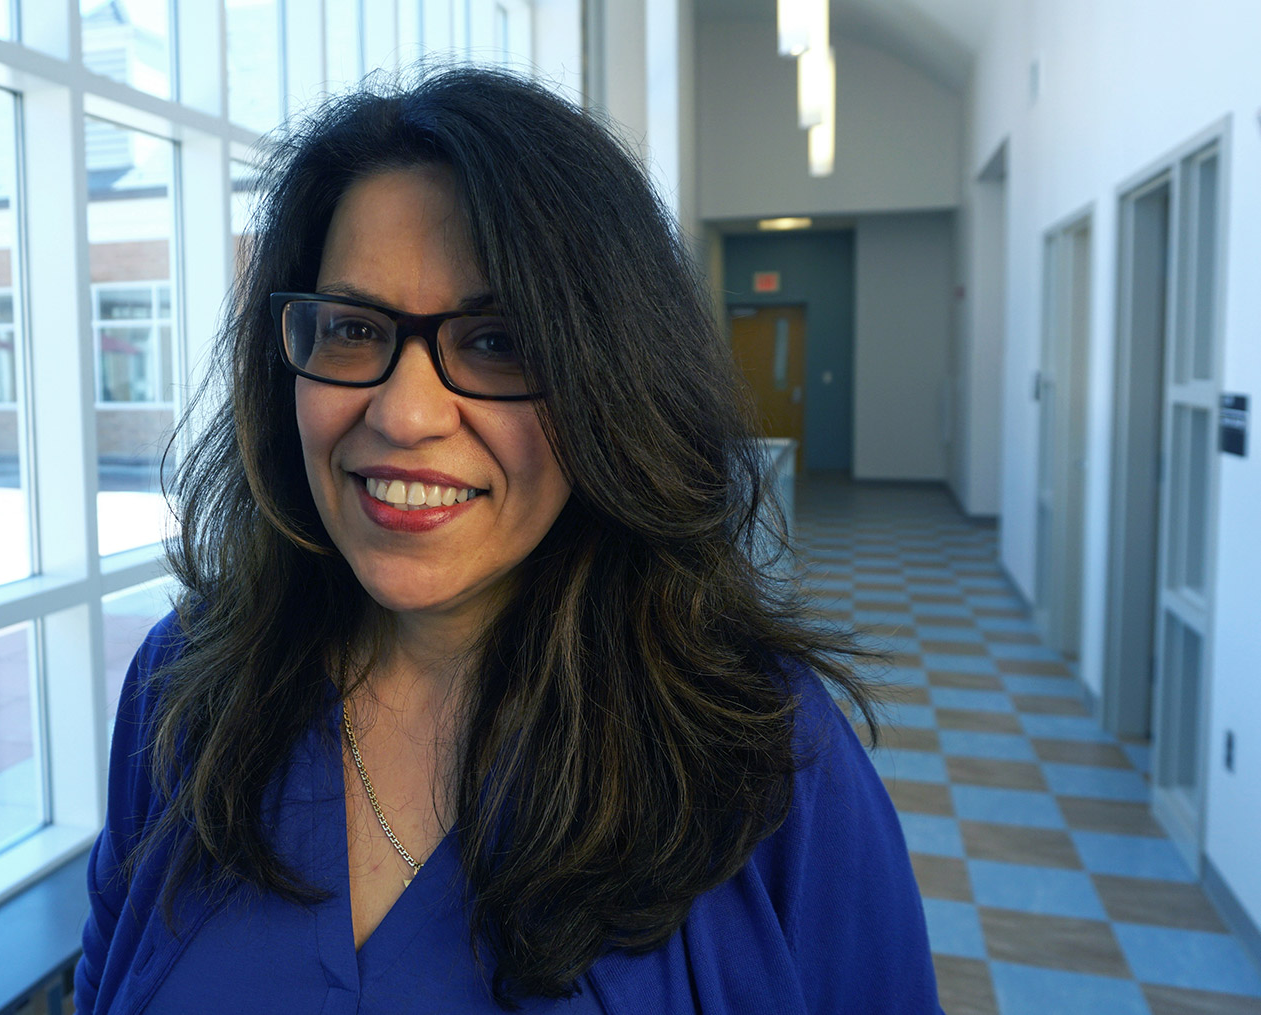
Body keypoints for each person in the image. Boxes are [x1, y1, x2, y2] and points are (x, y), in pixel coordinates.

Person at [75, 67, 940, 1013]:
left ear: (613, 380)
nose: (404, 414)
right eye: (355, 329)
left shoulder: (768, 763)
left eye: (498, 340)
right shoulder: (189, 684)